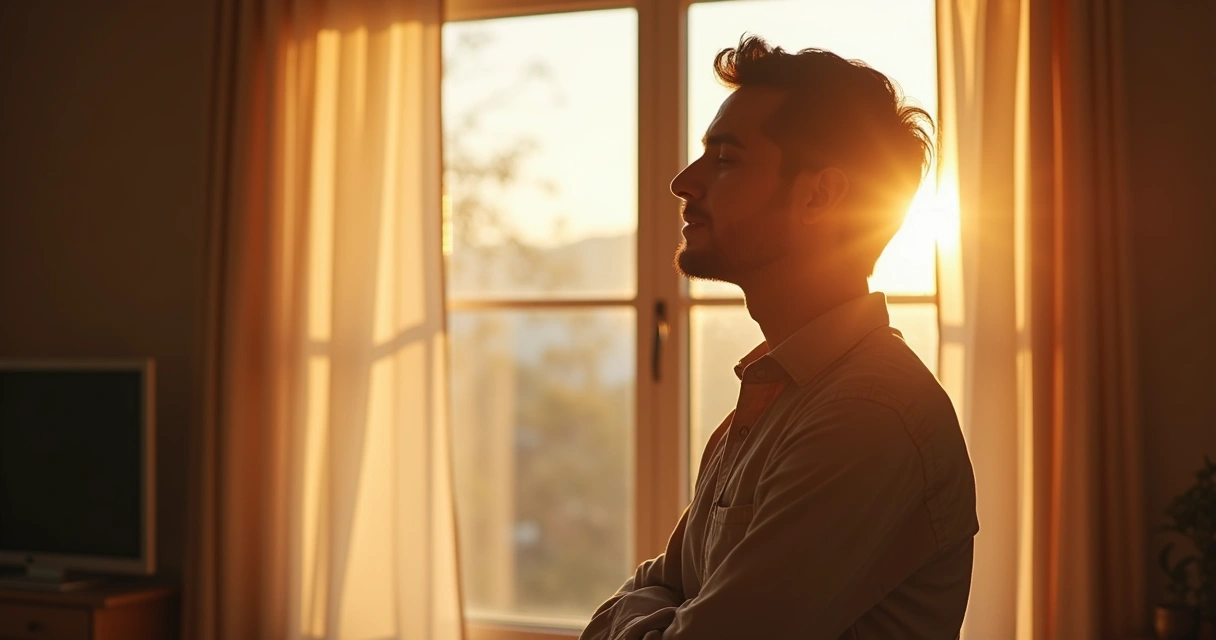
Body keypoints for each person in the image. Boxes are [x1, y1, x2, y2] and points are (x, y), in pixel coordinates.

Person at [579, 35, 979, 640]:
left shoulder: (867, 415)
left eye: (726, 158)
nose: (683, 182)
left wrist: (638, 619)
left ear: (820, 195)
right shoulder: (777, 395)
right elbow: (662, 585)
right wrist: (658, 613)